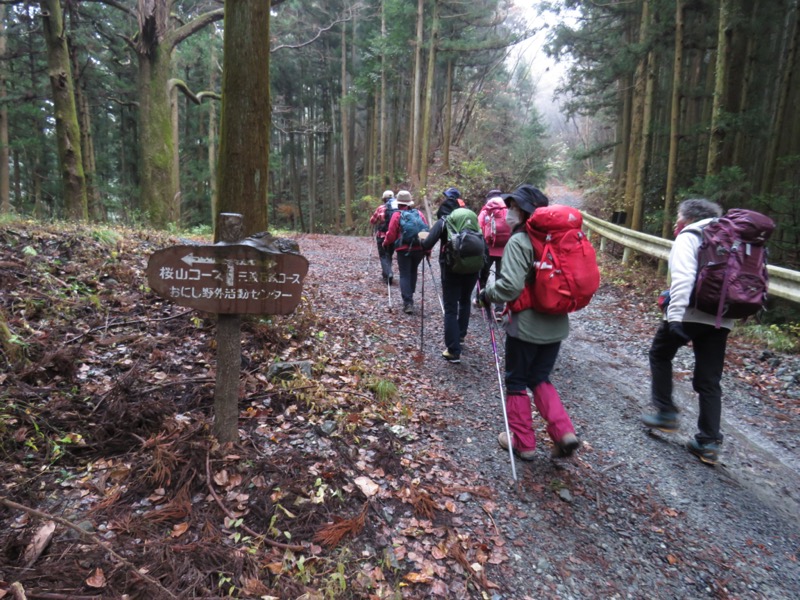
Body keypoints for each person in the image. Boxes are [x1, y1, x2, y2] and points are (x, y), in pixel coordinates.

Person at [479, 184, 580, 460]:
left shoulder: (520, 242)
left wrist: (486, 294)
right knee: (540, 378)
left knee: (516, 381)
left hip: (525, 326)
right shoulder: (560, 240)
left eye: (513, 208)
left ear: (524, 213)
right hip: (556, 324)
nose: (508, 212)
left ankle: (523, 443)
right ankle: (563, 432)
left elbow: (509, 287)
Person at [642, 198, 728, 465]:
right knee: (709, 380)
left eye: (678, 217)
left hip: (689, 312)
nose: (676, 223)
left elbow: (683, 278)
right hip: (721, 318)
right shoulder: (731, 238)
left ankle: (666, 413)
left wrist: (675, 318)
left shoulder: (691, 235)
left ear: (688, 218)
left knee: (659, 354)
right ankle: (709, 442)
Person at [419, 205, 486, 364]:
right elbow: (485, 247)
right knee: (464, 301)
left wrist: (420, 239)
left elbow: (427, 244)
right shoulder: (473, 223)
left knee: (450, 308)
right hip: (472, 270)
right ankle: (461, 335)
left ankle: (453, 350)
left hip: (451, 270)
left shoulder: (444, 222)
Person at [382, 190, 428, 314]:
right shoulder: (418, 213)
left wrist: (385, 243)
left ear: (398, 203)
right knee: (413, 272)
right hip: (419, 248)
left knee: (404, 274)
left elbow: (391, 234)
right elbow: (425, 231)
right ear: (409, 202)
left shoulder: (396, 215)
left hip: (403, 249)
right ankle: (410, 295)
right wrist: (427, 249)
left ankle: (408, 302)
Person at [476, 189, 511, 319]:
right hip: (504, 249)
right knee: (500, 277)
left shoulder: (486, 210)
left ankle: (480, 300)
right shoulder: (507, 210)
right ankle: (499, 309)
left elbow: (478, 227)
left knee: (483, 274)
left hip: (487, 248)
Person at [369, 190, 397, 284]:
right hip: (393, 236)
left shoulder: (380, 208)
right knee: (389, 254)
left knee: (383, 255)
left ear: (384, 199)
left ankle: (388, 273)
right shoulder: (397, 208)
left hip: (382, 235)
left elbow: (372, 220)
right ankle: (386, 273)